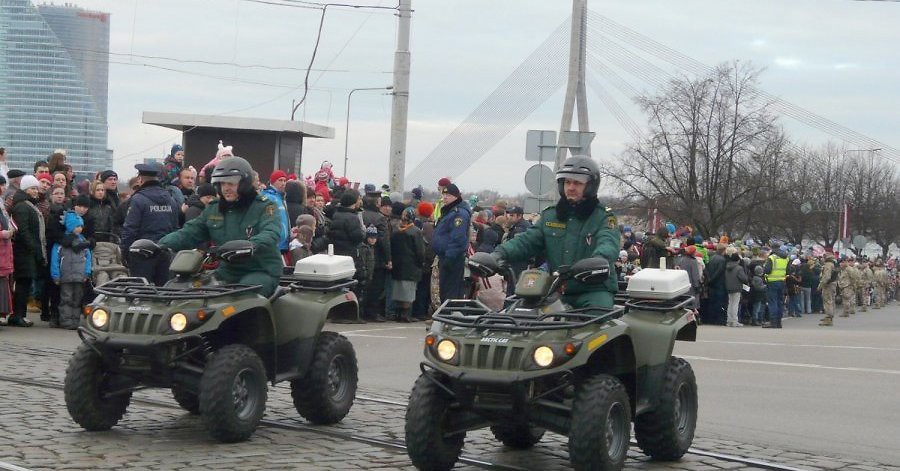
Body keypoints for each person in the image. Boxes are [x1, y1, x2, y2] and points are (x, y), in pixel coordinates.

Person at [492, 156, 619, 309]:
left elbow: (609, 242)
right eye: (567, 182)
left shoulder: (604, 217)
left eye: (577, 183)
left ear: (590, 186)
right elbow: (527, 241)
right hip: (557, 290)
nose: (571, 187)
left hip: (593, 290)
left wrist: (599, 259)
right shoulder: (550, 215)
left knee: (596, 324)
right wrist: (498, 254)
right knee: (524, 320)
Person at [158, 157, 284, 297]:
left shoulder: (265, 206)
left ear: (244, 183)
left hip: (260, 270)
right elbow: (189, 232)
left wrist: (250, 245)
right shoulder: (214, 208)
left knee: (244, 297)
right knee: (189, 292)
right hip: (227, 271)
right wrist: (159, 246)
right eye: (222, 183)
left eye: (231, 183)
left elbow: (271, 232)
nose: (225, 188)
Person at [121, 164, 180, 286]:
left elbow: (130, 229)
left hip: (142, 254)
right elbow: (175, 228)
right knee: (164, 292)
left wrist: (125, 253)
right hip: (165, 252)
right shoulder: (171, 199)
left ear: (140, 179)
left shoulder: (137, 199)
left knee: (141, 293)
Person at [9, 175, 46, 327]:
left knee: (25, 283)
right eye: (32, 188)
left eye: (36, 188)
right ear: (25, 189)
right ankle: (18, 315)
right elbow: (23, 231)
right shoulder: (22, 206)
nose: (35, 191)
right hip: (23, 252)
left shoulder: (28, 204)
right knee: (23, 284)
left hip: (28, 251)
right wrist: (34, 247)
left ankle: (20, 314)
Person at [50, 211, 92, 330]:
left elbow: (88, 258)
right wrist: (55, 275)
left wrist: (87, 272)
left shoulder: (83, 241)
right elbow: (55, 260)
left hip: (80, 276)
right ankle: (66, 321)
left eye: (80, 226)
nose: (79, 229)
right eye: (76, 226)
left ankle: (75, 320)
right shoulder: (61, 243)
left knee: (77, 299)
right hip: (65, 276)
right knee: (66, 299)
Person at [431, 183, 472, 302]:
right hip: (445, 256)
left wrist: (450, 257)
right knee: (445, 290)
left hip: (452, 258)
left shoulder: (459, 213)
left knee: (450, 292)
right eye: (443, 195)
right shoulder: (450, 211)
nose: (444, 198)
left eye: (448, 195)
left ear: (456, 196)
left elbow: (458, 238)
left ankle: (448, 317)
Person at [391, 207, 426, 322]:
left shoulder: (396, 231)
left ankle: (398, 313)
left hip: (398, 265)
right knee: (409, 291)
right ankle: (405, 314)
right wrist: (421, 262)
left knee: (398, 290)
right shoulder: (415, 232)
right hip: (411, 266)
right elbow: (420, 251)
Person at [762, 245, 789, 329]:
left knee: (772, 302)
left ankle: (773, 322)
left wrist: (764, 268)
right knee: (779, 302)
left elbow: (767, 270)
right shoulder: (786, 258)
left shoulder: (772, 258)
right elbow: (788, 271)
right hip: (782, 281)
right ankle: (778, 322)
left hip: (772, 282)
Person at [724, 247, 748, 327]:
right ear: (737, 260)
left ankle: (729, 320)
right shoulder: (739, 268)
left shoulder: (727, 267)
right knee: (735, 304)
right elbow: (744, 278)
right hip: (737, 287)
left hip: (729, 286)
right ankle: (735, 321)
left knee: (730, 304)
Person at [818, 253, 838, 326]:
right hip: (832, 285)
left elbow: (826, 277)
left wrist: (820, 286)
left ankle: (828, 318)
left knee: (827, 301)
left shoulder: (828, 265)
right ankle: (829, 316)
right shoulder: (833, 264)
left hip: (828, 285)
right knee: (831, 301)